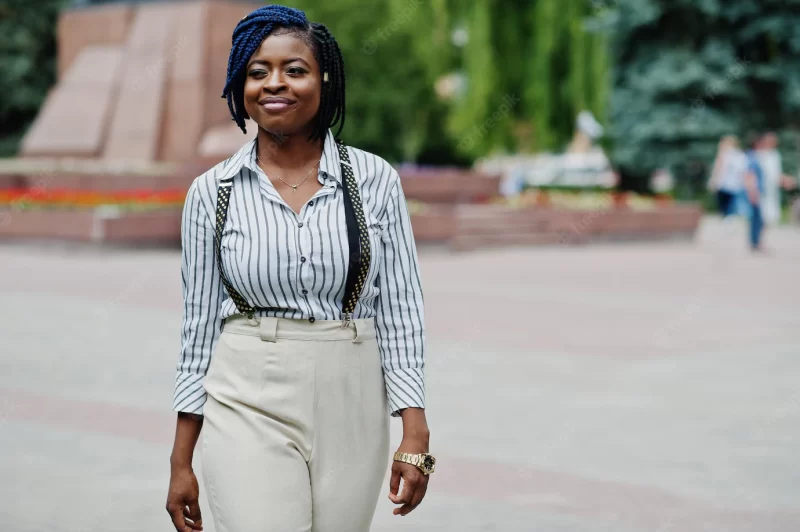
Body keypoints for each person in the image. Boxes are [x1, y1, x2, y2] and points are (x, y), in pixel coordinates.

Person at [165, 6, 435, 532]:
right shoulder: (212, 193)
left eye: (295, 69)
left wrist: (415, 430)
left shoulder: (374, 180)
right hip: (246, 392)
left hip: (352, 392)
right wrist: (181, 460)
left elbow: (401, 309)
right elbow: (196, 330)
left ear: (324, 78)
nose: (274, 84)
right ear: (239, 86)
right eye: (257, 71)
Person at [707, 135, 746, 217]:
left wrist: (713, 181)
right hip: (734, 184)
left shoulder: (724, 154)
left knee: (725, 205)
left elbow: (718, 169)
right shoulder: (739, 154)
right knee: (730, 206)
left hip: (725, 183)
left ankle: (727, 218)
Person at [744, 136, 766, 251]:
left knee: (757, 219)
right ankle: (755, 243)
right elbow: (749, 175)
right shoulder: (753, 158)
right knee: (757, 219)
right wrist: (752, 192)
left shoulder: (752, 156)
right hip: (754, 193)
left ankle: (755, 242)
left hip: (755, 192)